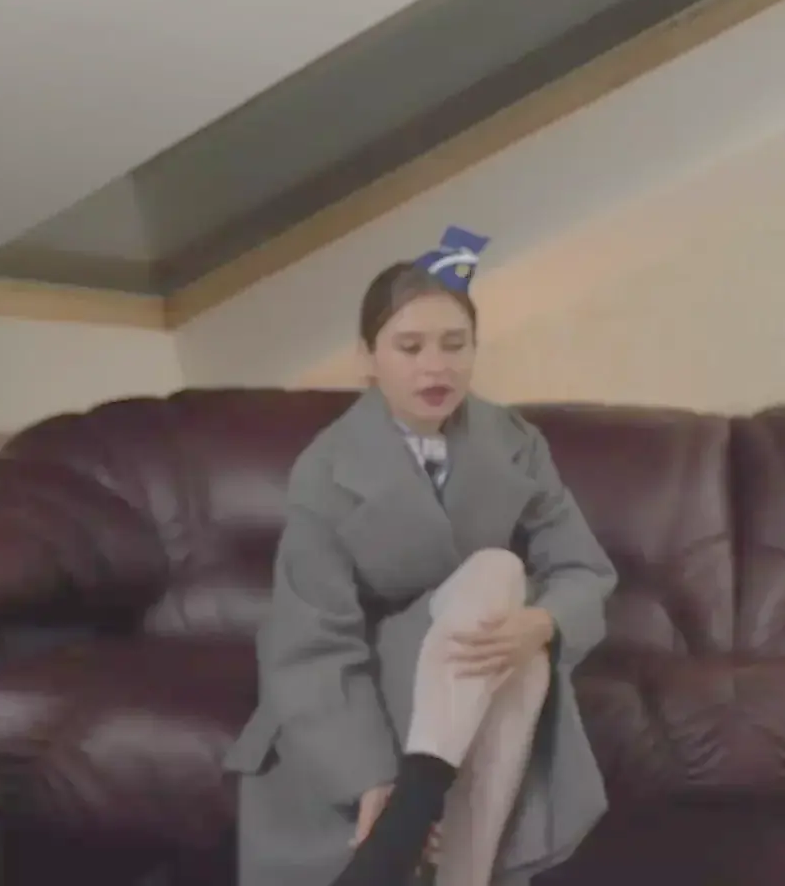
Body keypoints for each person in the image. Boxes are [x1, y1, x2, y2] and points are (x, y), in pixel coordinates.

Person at [225, 228, 619, 886]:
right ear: (367, 357)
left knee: (515, 625)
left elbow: (582, 568)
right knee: (500, 571)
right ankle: (421, 807)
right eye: (409, 347)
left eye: (454, 344)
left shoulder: (516, 441)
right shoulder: (324, 468)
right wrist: (368, 774)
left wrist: (545, 622)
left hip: (484, 666)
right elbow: (312, 642)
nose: (435, 367)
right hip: (378, 689)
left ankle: (425, 832)